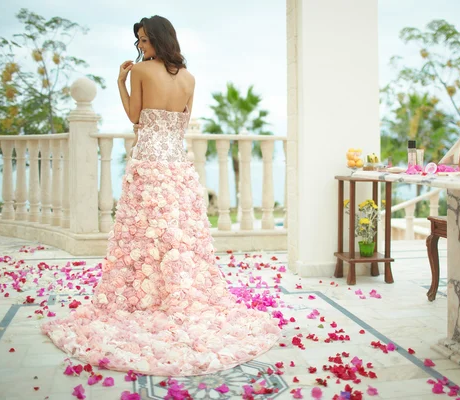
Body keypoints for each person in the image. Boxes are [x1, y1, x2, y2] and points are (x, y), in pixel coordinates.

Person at [42, 15, 282, 377]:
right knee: (178, 239)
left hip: (149, 165)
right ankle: (175, 296)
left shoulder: (141, 72)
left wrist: (120, 82)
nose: (140, 47)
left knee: (142, 238)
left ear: (158, 39)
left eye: (144, 40)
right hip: (179, 168)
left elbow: (135, 118)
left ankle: (149, 298)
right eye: (138, 41)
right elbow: (183, 122)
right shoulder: (189, 78)